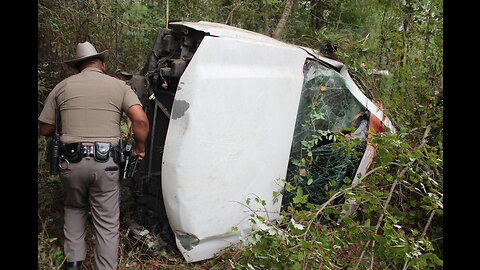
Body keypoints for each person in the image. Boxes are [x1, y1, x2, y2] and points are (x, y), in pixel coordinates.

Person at [38, 41, 149, 270]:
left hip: (71, 162)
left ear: (78, 66)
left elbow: (45, 129)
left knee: (74, 208)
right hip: (106, 164)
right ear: (102, 64)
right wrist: (139, 148)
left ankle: (74, 264)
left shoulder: (62, 86)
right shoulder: (119, 86)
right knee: (107, 221)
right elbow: (140, 120)